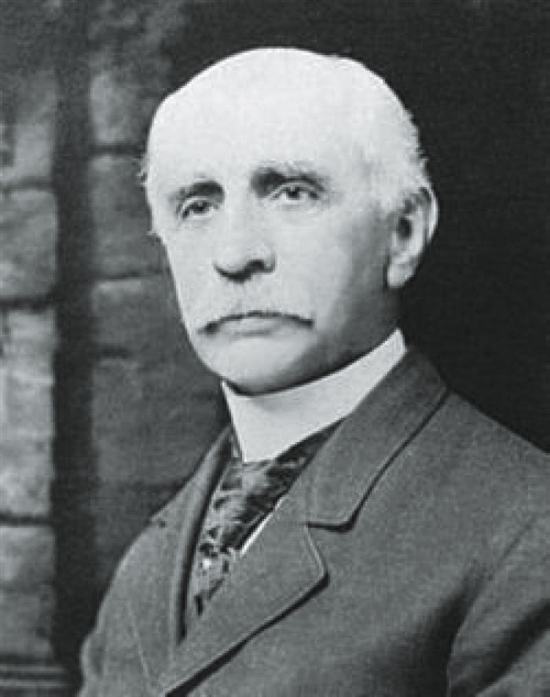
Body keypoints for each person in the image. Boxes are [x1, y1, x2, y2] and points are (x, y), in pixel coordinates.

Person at [78, 48, 550, 696]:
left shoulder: (525, 529)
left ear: (403, 233)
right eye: (198, 205)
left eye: (292, 192)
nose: (235, 254)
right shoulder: (148, 563)